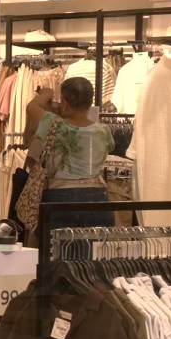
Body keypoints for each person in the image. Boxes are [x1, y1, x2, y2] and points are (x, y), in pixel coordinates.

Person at [26, 77, 115, 230]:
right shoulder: (103, 131)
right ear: (90, 102)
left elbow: (31, 107)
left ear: (65, 103)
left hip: (58, 197)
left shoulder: (52, 123)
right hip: (97, 197)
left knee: (55, 245)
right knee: (94, 245)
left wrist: (47, 93)